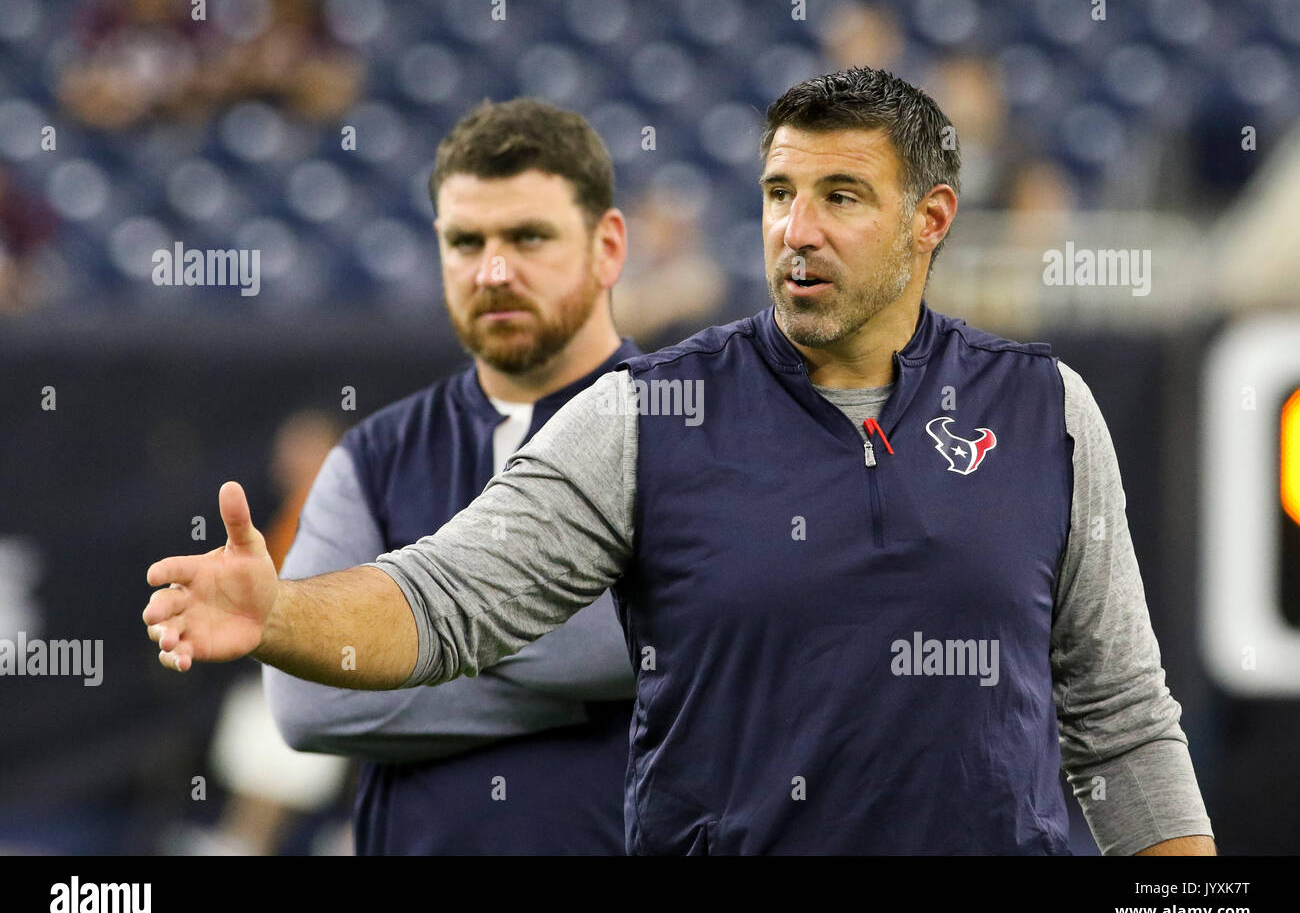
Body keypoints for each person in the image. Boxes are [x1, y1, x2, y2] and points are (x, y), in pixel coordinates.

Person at [144, 67, 1216, 855]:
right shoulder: (649, 413)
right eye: (777, 193)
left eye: (840, 197)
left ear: (929, 219)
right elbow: (447, 597)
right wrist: (278, 614)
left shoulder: (1046, 411)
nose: (797, 229)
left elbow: (1121, 722)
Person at [262, 98, 640, 854]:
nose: (494, 271)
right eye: (467, 241)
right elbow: (307, 704)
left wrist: (384, 646)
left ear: (607, 246)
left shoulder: (689, 429)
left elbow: (658, 646)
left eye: (528, 237)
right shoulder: (375, 455)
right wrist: (579, 700)